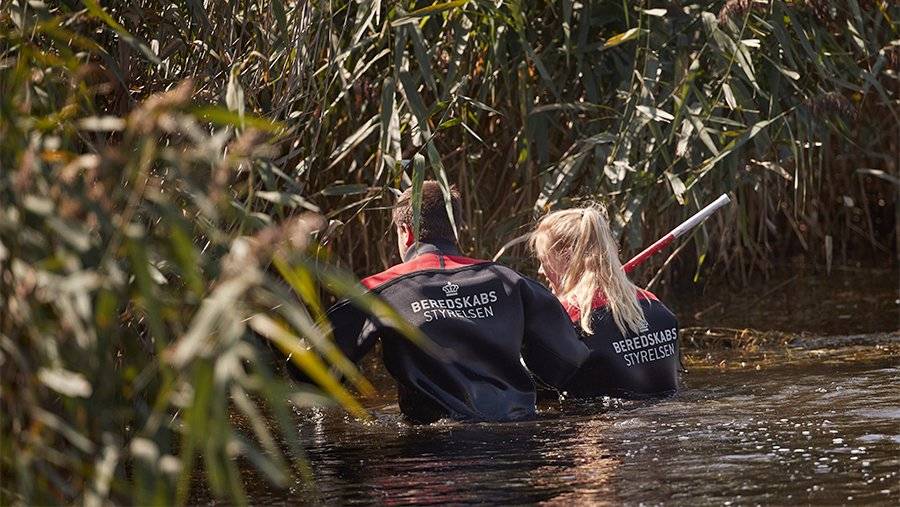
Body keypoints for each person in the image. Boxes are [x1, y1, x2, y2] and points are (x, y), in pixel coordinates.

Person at [302, 181, 590, 423]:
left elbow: (308, 366)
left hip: (434, 456)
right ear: (455, 229)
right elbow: (569, 361)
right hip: (518, 439)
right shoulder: (510, 281)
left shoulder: (380, 289)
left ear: (406, 232)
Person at [530, 205, 680, 398]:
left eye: (544, 261)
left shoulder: (563, 317)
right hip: (665, 416)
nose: (541, 271)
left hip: (601, 425)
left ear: (566, 256)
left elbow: (537, 390)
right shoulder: (655, 305)